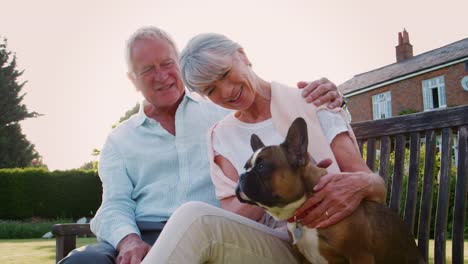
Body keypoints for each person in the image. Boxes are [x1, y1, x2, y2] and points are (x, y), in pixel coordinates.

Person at [59, 27, 343, 264]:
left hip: (214, 233)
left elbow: (266, 107)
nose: (162, 76)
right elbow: (114, 204)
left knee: (197, 228)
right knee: (83, 261)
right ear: (132, 80)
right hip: (142, 236)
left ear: (180, 64)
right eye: (147, 70)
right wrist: (128, 240)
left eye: (167, 64)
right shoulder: (119, 140)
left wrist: (331, 98)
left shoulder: (224, 112)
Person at [141, 33, 386, 263]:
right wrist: (268, 183)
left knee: (194, 217)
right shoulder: (220, 136)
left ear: (243, 56)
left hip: (335, 235)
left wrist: (354, 184)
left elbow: (374, 186)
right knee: (195, 217)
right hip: (279, 244)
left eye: (225, 73)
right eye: (211, 90)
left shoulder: (312, 100)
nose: (226, 91)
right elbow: (234, 216)